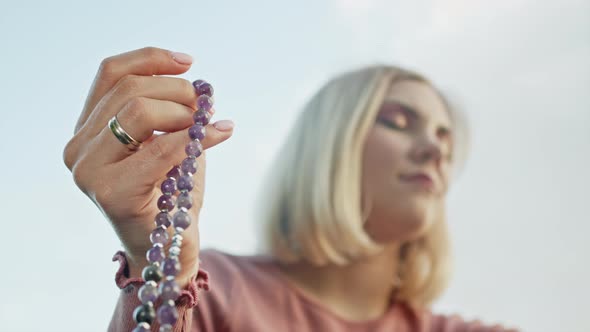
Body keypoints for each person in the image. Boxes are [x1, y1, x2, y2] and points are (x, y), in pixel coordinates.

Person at [63, 47, 518, 332]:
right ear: (330, 146)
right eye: (398, 122)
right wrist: (159, 261)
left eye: (445, 137)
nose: (433, 151)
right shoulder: (207, 295)